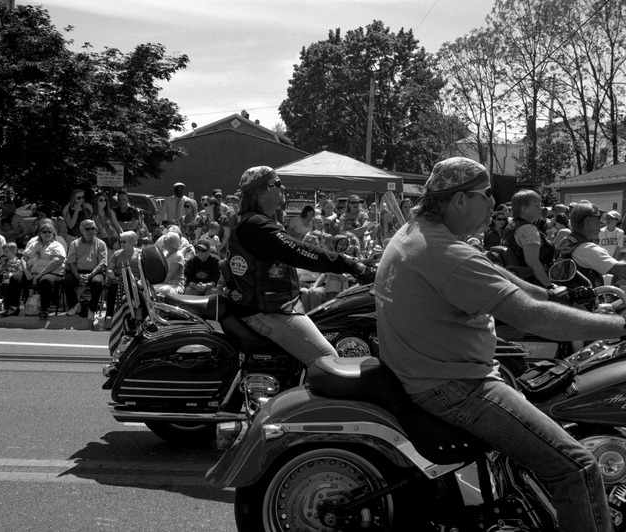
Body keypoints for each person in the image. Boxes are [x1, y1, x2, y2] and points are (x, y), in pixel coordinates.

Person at [375, 156, 619, 532]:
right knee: (577, 466)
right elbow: (531, 319)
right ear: (458, 200)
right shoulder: (445, 254)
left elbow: (490, 271)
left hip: (429, 372)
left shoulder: (417, 232)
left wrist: (554, 295)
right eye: (486, 194)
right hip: (457, 386)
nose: (494, 204)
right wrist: (619, 326)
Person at [222, 166, 366, 367]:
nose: (283, 187)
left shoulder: (255, 221)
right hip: (268, 310)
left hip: (271, 304)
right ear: (262, 191)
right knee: (330, 362)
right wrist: (352, 265)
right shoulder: (256, 225)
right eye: (278, 183)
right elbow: (300, 252)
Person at [4, 219, 66, 320]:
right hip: (32, 272)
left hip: (51, 272)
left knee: (45, 280)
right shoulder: (34, 244)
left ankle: (44, 308)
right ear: (40, 233)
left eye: (49, 231)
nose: (47, 233)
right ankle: (14, 307)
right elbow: (24, 258)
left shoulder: (57, 245)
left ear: (53, 234)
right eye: (44, 231)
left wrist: (41, 273)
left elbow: (57, 261)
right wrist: (27, 272)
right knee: (15, 278)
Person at [556, 202, 626, 288]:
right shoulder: (588, 249)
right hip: (584, 300)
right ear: (589, 220)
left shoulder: (566, 241)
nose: (601, 221)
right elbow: (622, 270)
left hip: (566, 297)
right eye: (598, 217)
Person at [501, 189, 555, 288]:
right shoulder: (528, 229)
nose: (541, 208)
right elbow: (533, 263)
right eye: (537, 205)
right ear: (524, 209)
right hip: (534, 285)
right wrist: (550, 286)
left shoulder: (511, 225)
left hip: (517, 283)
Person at [62, 219, 108, 322]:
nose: (91, 231)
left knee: (97, 283)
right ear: (81, 230)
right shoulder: (74, 243)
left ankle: (92, 309)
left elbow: (102, 263)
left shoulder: (101, 244)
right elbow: (72, 262)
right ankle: (75, 305)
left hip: (94, 272)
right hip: (78, 272)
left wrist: (91, 275)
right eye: (88, 228)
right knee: (66, 280)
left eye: (93, 228)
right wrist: (78, 276)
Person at [0, 242, 26, 311]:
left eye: (6, 252)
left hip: (10, 277)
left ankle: (6, 303)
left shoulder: (19, 262)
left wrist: (11, 275)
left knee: (6, 283)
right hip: (1, 275)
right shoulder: (2, 260)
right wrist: (0, 264)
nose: (4, 253)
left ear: (14, 252)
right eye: (4, 252)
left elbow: (20, 272)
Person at [153, 232, 185, 296]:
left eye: (166, 240)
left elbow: (171, 276)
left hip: (174, 285)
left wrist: (156, 281)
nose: (164, 241)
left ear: (171, 243)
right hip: (164, 283)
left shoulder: (178, 256)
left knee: (154, 289)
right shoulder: (164, 253)